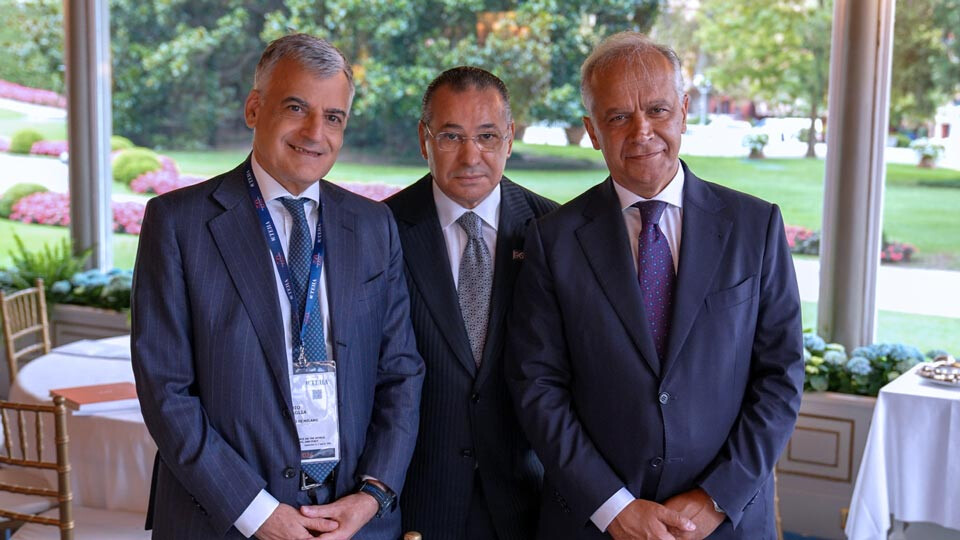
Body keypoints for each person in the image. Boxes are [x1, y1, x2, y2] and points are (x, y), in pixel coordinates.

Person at [506, 32, 804, 540]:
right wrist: (614, 507)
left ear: (685, 111)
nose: (641, 131)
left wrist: (714, 499)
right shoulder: (552, 240)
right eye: (618, 116)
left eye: (658, 110)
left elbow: (779, 377)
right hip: (595, 523)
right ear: (592, 130)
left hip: (724, 522)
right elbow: (538, 386)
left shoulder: (756, 228)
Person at [131, 34, 424, 540]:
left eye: (334, 117)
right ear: (253, 108)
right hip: (224, 521)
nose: (316, 131)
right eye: (296, 107)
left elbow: (400, 372)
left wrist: (372, 494)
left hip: (353, 522)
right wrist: (256, 512)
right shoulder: (178, 224)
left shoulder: (375, 226)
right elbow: (166, 392)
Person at [385, 66, 555, 540]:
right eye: (451, 136)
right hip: (416, 501)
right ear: (424, 139)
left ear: (509, 138)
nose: (470, 156)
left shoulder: (553, 231)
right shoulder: (380, 232)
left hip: (529, 500)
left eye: (486, 136)